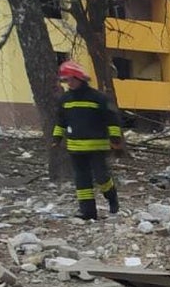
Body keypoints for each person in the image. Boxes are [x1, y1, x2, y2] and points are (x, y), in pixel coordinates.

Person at [52, 60, 122, 220]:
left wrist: (115, 138)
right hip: (75, 148)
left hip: (97, 147)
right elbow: (61, 122)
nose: (68, 83)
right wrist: (56, 138)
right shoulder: (65, 100)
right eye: (66, 80)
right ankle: (88, 212)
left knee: (101, 177)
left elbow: (112, 119)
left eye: (70, 79)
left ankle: (112, 198)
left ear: (79, 78)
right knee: (82, 181)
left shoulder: (98, 98)